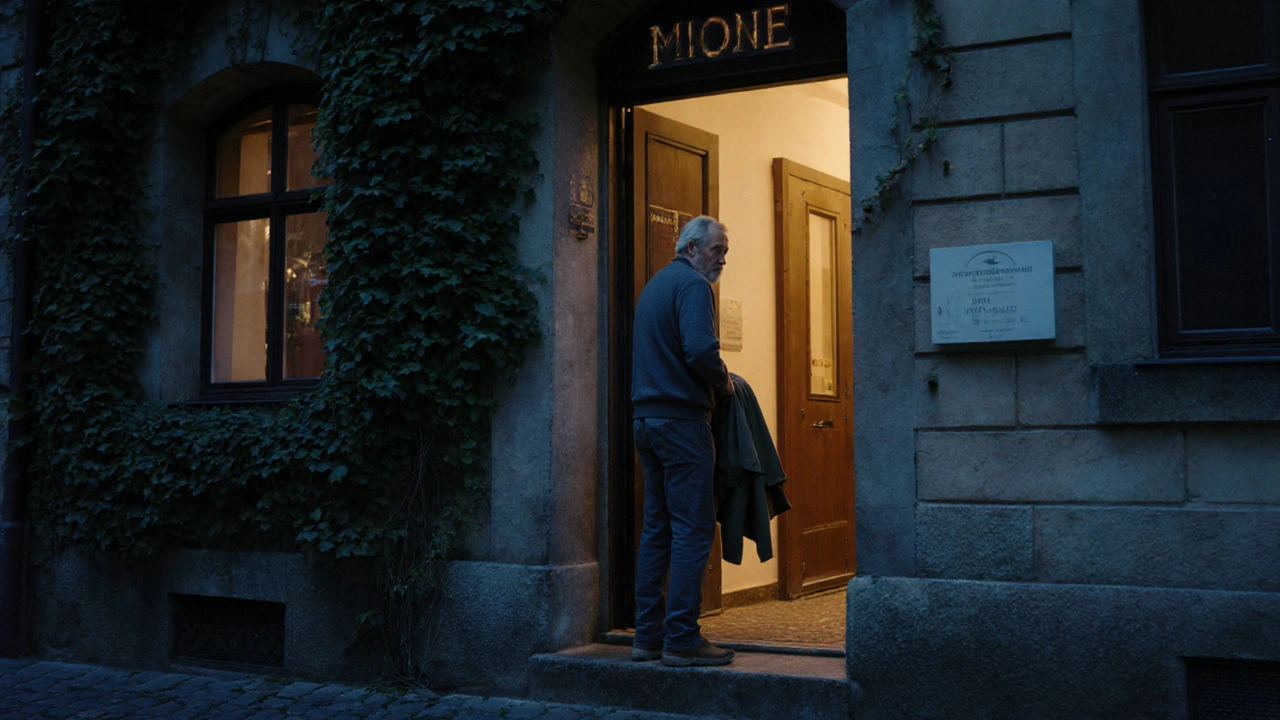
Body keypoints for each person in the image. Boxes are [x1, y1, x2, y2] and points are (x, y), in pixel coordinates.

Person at [630, 215, 735, 667]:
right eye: (717, 249)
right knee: (692, 531)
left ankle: (646, 638)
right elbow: (699, 350)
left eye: (724, 250)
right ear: (691, 248)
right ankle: (682, 640)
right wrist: (725, 382)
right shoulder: (694, 287)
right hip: (682, 423)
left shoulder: (654, 286)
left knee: (657, 530)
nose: (723, 258)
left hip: (647, 422)